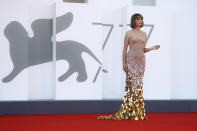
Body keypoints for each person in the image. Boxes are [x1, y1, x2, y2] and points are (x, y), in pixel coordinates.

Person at [97, 13, 160, 120]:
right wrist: (124, 63)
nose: (140, 21)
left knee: (138, 86)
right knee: (132, 86)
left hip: (141, 61)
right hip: (131, 61)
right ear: (133, 21)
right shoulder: (129, 33)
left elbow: (143, 49)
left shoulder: (144, 34)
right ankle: (129, 112)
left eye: (141, 19)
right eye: (137, 19)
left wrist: (152, 48)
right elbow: (124, 50)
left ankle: (137, 113)